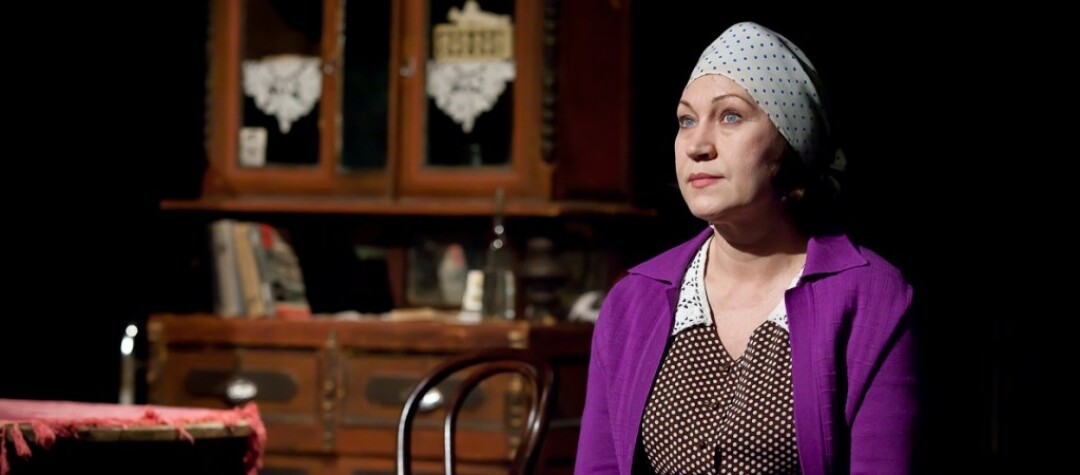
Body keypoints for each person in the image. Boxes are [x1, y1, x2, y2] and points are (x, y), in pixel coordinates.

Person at [574, 21, 918, 475]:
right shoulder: (633, 302)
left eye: (730, 116)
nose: (697, 145)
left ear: (790, 142)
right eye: (686, 120)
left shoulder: (871, 298)